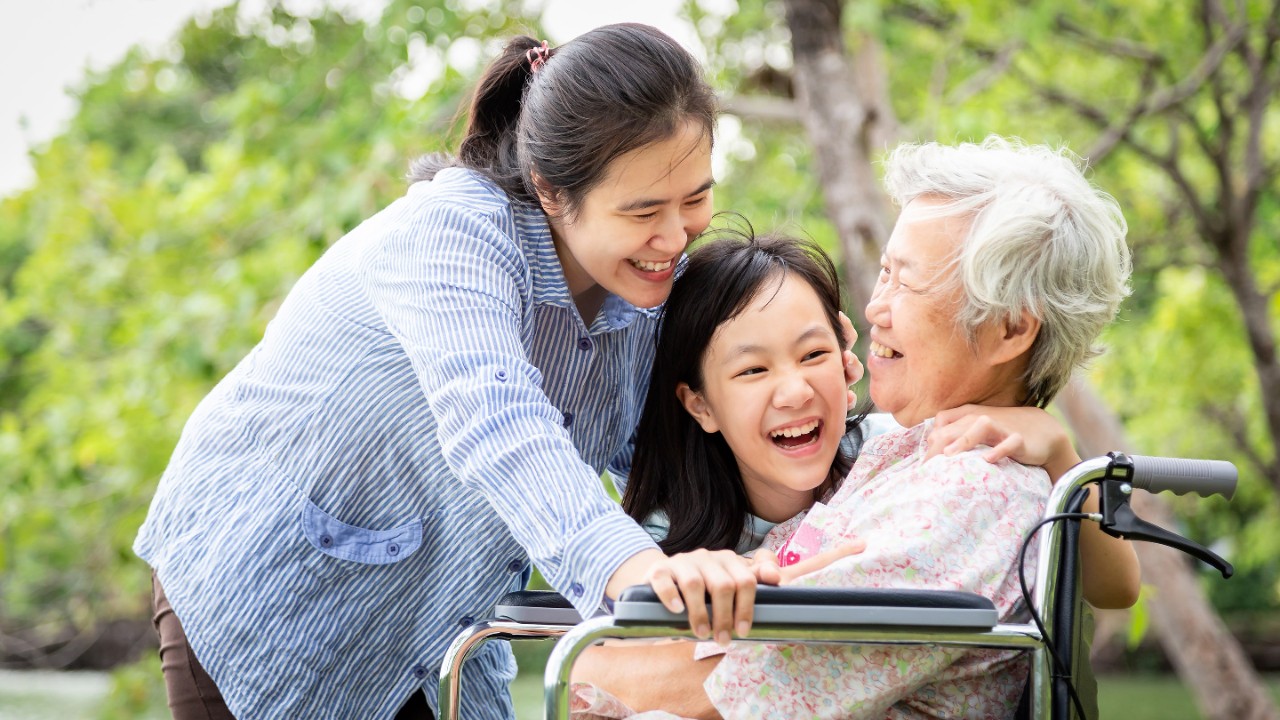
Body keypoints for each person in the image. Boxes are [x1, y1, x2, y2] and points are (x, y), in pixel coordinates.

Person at [134, 24, 778, 720]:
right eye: (644, 210)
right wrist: (636, 571)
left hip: (437, 615)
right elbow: (498, 424)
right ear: (552, 192)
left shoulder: (651, 286)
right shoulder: (451, 234)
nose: (676, 235)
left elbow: (671, 457)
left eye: (695, 199)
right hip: (266, 595)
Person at [572, 136, 1137, 719]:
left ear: (1009, 331)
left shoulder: (970, 493)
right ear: (700, 404)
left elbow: (732, 687)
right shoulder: (902, 453)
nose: (873, 309)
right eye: (884, 274)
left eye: (905, 282)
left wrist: (591, 664)